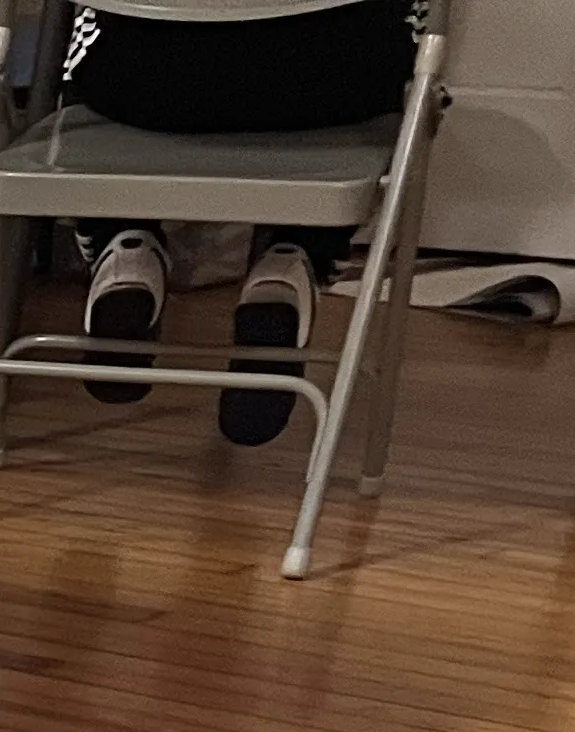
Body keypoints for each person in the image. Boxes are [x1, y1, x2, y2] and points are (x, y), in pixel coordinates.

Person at [62, 2, 418, 444]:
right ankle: (294, 260)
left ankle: (122, 245)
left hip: (139, 80)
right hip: (335, 79)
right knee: (391, 43)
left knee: (80, 38)